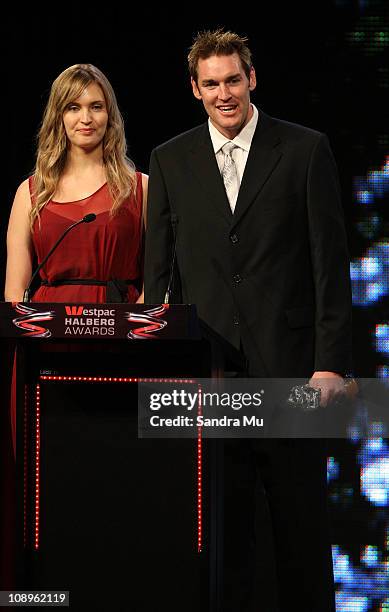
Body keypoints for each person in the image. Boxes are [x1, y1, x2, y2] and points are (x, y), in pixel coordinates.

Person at [144, 29, 352, 611]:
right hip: (210, 383)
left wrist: (331, 365)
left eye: (233, 79)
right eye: (210, 84)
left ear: (252, 78)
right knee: (222, 546)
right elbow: (157, 279)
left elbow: (329, 266)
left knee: (301, 540)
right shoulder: (170, 160)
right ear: (195, 89)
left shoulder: (306, 149)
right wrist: (163, 376)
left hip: (293, 377)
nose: (224, 93)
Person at [5, 63, 147, 304]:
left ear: (109, 114)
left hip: (120, 333)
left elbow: (156, 281)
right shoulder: (30, 192)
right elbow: (15, 294)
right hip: (47, 335)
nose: (86, 119)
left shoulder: (140, 188)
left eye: (96, 107)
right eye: (73, 107)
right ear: (59, 116)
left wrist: (130, 330)